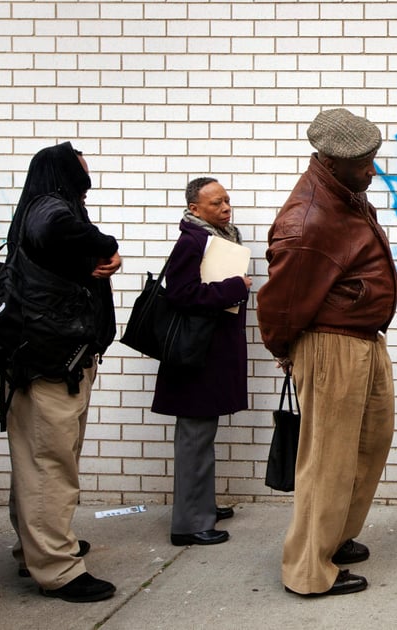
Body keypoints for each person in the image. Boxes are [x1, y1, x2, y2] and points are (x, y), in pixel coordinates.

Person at [257, 108, 397, 597]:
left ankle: (333, 538)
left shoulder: (346, 195)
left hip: (362, 339)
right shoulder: (309, 217)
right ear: (332, 162)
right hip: (333, 344)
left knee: (369, 444)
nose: (372, 170)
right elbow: (278, 301)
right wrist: (285, 348)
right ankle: (308, 571)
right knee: (328, 459)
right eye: (364, 164)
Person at [1, 142, 121, 602]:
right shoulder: (50, 207)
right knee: (50, 466)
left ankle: (35, 549)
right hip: (50, 364)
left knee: (39, 463)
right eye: (81, 165)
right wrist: (106, 247)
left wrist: (100, 261)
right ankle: (58, 567)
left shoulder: (43, 205)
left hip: (51, 360)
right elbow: (59, 232)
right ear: (64, 171)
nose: (87, 170)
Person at [151, 177, 251, 547]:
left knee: (201, 435)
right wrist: (235, 287)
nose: (225, 209)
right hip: (193, 358)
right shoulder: (192, 240)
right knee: (194, 438)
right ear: (194, 209)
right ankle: (190, 524)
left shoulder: (217, 238)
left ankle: (201, 504)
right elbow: (181, 294)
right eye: (216, 204)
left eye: (227, 201)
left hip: (206, 354)